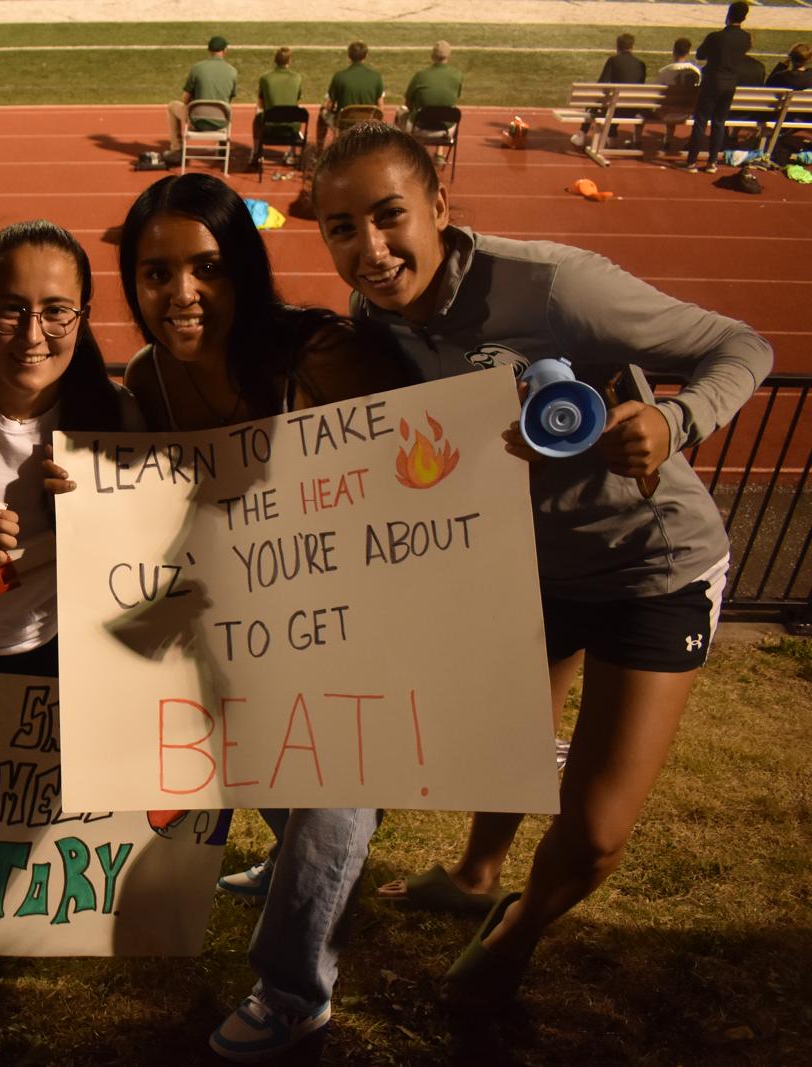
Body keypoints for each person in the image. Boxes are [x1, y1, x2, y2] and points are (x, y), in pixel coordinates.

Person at [310, 122, 772, 1007]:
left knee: (596, 833)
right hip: (527, 569)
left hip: (651, 568)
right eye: (340, 228)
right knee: (502, 750)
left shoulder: (555, 284)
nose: (368, 247)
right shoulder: (377, 318)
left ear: (440, 206)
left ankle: (516, 932)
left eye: (388, 215)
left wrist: (675, 421)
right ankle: (478, 874)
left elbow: (743, 345)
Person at [116, 172, 409, 1062]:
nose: (182, 294)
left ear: (243, 267)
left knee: (332, 786)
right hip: (240, 618)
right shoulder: (148, 377)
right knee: (254, 767)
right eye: (156, 272)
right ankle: (302, 873)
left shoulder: (320, 354)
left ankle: (293, 988)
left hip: (349, 615)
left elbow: (415, 471)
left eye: (207, 268)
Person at [0, 221, 137, 679]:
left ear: (82, 317)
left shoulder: (118, 418)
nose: (33, 335)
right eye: (13, 310)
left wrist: (96, 518)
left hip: (63, 654)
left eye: (56, 311)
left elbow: (143, 559)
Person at [686, 2, 754, 173]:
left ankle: (692, 162)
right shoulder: (745, 38)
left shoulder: (716, 37)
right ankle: (712, 162)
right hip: (730, 83)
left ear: (728, 15)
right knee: (719, 123)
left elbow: (700, 54)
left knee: (701, 121)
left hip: (712, 82)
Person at [167, 35, 238, 162]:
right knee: (224, 106)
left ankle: (176, 149)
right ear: (225, 50)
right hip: (221, 122)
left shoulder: (197, 68)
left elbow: (185, 99)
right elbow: (228, 99)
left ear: (209, 50)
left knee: (172, 106)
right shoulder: (232, 71)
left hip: (196, 122)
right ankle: (223, 148)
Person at [573, 33, 646, 148]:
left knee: (599, 100)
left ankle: (582, 133)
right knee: (617, 101)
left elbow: (601, 84)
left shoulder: (613, 61)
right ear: (632, 47)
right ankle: (612, 135)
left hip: (615, 106)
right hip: (633, 108)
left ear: (617, 47)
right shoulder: (641, 64)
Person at [318, 41, 384, 149]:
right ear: (366, 56)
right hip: (368, 124)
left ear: (349, 55)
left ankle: (319, 150)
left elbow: (328, 105)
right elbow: (380, 107)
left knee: (322, 113)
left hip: (344, 124)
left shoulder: (339, 77)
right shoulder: (376, 77)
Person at [252, 47, 305, 166]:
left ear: (275, 60)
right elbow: (296, 102)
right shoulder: (297, 78)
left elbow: (261, 104)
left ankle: (256, 153)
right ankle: (292, 154)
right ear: (289, 61)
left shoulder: (265, 78)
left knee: (257, 119)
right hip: (292, 127)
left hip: (269, 126)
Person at [396, 41, 462, 133]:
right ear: (448, 56)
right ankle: (439, 147)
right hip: (446, 130)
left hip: (419, 127)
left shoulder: (420, 75)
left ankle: (405, 146)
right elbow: (453, 99)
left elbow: (408, 103)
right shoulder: (457, 75)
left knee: (400, 112)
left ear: (432, 56)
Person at [653, 39, 702, 152]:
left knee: (669, 102)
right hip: (689, 112)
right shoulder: (696, 71)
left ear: (674, 51)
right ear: (688, 52)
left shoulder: (664, 71)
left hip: (668, 112)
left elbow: (657, 94)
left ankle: (668, 138)